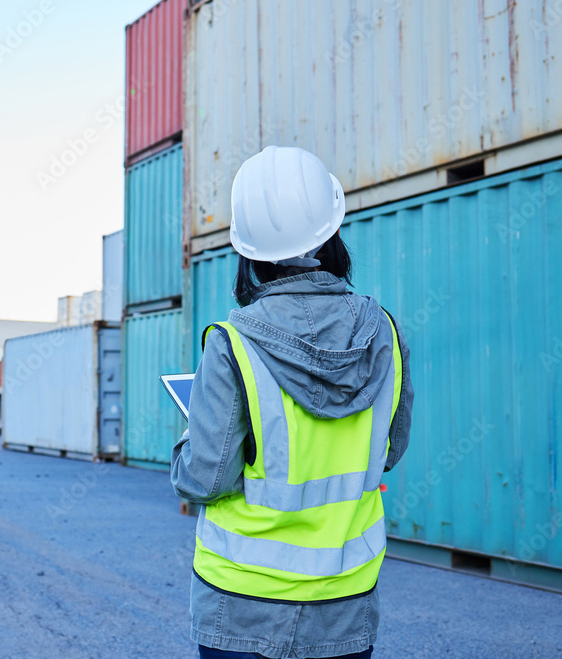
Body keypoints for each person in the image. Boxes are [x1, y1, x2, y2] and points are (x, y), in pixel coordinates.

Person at [171, 146, 414, 659]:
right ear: (332, 228)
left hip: (242, 600)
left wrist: (192, 435)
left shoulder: (232, 342)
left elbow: (203, 479)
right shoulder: (384, 333)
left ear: (247, 248)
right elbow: (388, 451)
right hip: (344, 596)